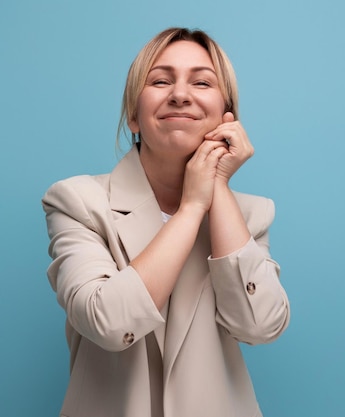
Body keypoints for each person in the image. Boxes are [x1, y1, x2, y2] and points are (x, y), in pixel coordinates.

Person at [42, 27, 290, 417]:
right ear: (133, 116)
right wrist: (191, 208)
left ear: (228, 117)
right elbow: (109, 322)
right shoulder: (78, 201)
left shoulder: (251, 215)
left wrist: (217, 187)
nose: (179, 94)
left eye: (202, 82)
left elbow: (261, 326)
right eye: (159, 80)